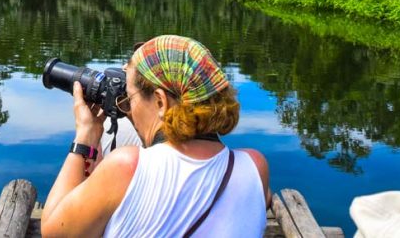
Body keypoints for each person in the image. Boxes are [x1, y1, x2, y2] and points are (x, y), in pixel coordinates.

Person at [41, 35, 271, 237]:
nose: (127, 107)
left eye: (129, 98)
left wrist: (85, 135)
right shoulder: (255, 166)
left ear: (160, 101)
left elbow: (53, 231)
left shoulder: (125, 167)